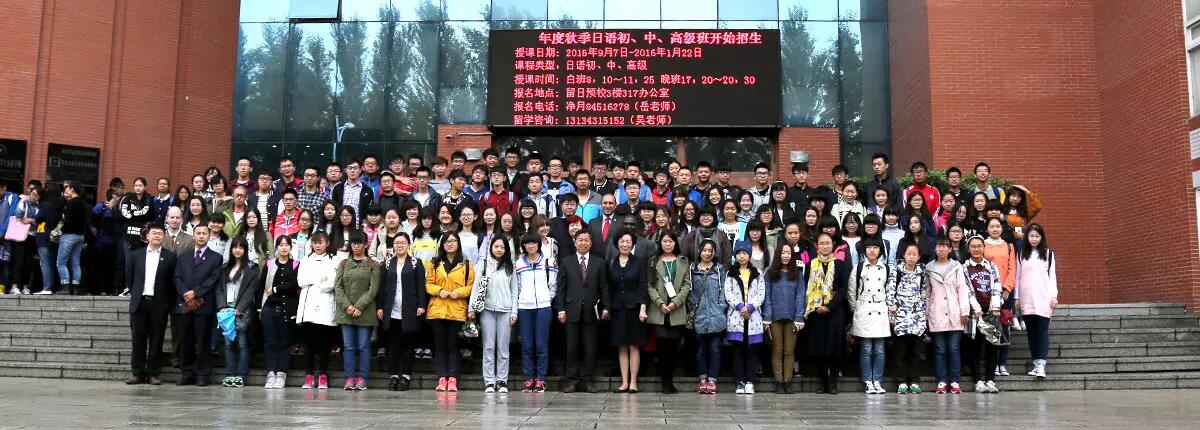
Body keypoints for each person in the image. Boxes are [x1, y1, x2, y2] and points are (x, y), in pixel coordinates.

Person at [554, 229, 608, 393]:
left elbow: (604, 287)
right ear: (574, 242)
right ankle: (572, 380)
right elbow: (560, 288)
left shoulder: (599, 262)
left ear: (591, 243)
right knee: (572, 348)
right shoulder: (566, 261)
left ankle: (588, 380)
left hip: (592, 312)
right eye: (581, 240)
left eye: (586, 240)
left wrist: (606, 307)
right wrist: (560, 309)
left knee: (590, 348)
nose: (584, 243)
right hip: (571, 310)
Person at [124, 223, 177, 385]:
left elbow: (171, 282)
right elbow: (130, 279)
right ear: (147, 236)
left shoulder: (170, 256)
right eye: (153, 233)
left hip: (159, 303)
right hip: (140, 302)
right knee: (138, 339)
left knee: (157, 339)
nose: (157, 236)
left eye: (160, 234)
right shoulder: (135, 255)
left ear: (164, 236)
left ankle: (154, 373)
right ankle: (138, 373)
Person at [926, 238, 981, 395]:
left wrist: (964, 311)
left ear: (950, 249)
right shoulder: (929, 268)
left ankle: (955, 381)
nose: (941, 249)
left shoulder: (956, 267)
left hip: (955, 312)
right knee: (940, 349)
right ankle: (942, 380)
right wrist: (926, 313)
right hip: (937, 313)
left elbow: (962, 289)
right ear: (935, 249)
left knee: (954, 348)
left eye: (944, 246)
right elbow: (928, 293)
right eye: (939, 246)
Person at [425, 232, 474, 392]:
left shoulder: (466, 264)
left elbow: (470, 286)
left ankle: (452, 378)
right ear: (442, 244)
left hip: (457, 310)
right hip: (438, 309)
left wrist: (458, 292)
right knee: (440, 346)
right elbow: (428, 284)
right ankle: (441, 378)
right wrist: (439, 290)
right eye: (446, 241)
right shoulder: (434, 263)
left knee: (453, 346)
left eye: (453, 241)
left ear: (458, 243)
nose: (450, 244)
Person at [173, 224, 222, 386]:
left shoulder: (215, 257)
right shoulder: (184, 257)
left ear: (209, 236)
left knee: (202, 341)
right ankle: (187, 372)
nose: (201, 236)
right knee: (185, 339)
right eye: (198, 233)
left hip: (203, 305)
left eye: (204, 233)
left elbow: (213, 279)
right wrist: (185, 293)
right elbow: (177, 277)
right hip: (185, 304)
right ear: (193, 236)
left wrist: (196, 293)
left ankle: (202, 373)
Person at [468, 236, 517, 393]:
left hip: (505, 310)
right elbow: (476, 287)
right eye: (496, 246)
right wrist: (471, 308)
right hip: (487, 310)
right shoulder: (483, 264)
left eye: (502, 247)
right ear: (491, 248)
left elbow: (515, 290)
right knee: (488, 346)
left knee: (503, 348)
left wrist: (514, 311)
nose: (499, 249)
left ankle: (502, 380)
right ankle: (489, 381)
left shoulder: (511, 266)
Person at [804, 233, 850, 395]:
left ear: (833, 245)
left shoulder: (840, 264)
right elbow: (806, 287)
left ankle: (833, 383)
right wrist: (816, 306)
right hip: (816, 313)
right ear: (817, 245)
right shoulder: (811, 265)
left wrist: (829, 306)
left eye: (828, 243)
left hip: (835, 312)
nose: (825, 246)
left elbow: (844, 290)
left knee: (834, 348)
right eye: (821, 243)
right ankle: (822, 382)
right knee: (820, 348)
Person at [646, 230, 691, 394]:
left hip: (676, 310)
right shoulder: (653, 261)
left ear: (675, 243)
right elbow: (649, 285)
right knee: (662, 346)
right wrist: (659, 303)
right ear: (660, 243)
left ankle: (670, 381)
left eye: (670, 241)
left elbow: (687, 285)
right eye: (665, 241)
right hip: (659, 310)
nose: (667, 244)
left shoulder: (683, 261)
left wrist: (675, 303)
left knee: (673, 346)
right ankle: (664, 382)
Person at [334, 232, 379, 391]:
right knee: (348, 346)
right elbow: (338, 287)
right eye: (353, 243)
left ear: (365, 245)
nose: (356, 246)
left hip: (365, 312)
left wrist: (359, 306)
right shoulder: (344, 263)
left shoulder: (373, 264)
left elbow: (373, 289)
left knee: (363, 346)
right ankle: (349, 377)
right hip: (346, 312)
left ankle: (363, 378)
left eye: (359, 243)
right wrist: (347, 306)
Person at [512, 234, 557, 392]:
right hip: (524, 307)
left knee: (541, 344)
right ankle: (528, 377)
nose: (530, 246)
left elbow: (553, 284)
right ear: (523, 246)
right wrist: (520, 301)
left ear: (538, 245)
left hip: (543, 307)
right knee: (527, 344)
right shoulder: (518, 264)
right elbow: (516, 286)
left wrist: (547, 300)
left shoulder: (548, 262)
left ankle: (541, 379)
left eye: (533, 243)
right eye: (527, 244)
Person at [297, 231, 341, 390]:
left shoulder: (334, 260)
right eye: (315, 242)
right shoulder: (305, 260)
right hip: (308, 305)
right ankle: (309, 375)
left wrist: (318, 281)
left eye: (320, 242)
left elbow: (332, 282)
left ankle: (323, 375)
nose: (317, 245)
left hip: (325, 305)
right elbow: (301, 281)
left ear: (327, 243)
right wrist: (319, 279)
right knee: (309, 343)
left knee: (324, 343)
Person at [848, 238, 891, 394]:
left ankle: (877, 381)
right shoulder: (858, 267)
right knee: (866, 348)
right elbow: (851, 292)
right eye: (869, 248)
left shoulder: (886, 268)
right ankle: (867, 380)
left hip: (880, 308)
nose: (872, 250)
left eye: (875, 248)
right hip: (864, 308)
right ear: (864, 251)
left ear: (880, 251)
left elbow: (888, 289)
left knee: (879, 349)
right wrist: (856, 309)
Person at [608, 230, 649, 393]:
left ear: (632, 244)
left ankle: (633, 382)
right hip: (617, 308)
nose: (625, 244)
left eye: (628, 242)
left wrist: (643, 308)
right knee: (621, 346)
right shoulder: (612, 262)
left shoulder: (639, 262)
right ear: (617, 243)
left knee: (634, 345)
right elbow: (609, 287)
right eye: (622, 241)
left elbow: (643, 285)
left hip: (635, 308)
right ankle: (624, 382)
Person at [215, 237, 259, 388]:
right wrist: (221, 306)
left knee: (242, 343)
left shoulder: (252, 268)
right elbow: (219, 289)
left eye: (241, 247)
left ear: (245, 250)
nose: (237, 250)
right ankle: (230, 374)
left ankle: (241, 375)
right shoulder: (225, 267)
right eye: (235, 247)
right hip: (226, 311)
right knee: (227, 344)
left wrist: (239, 309)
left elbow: (251, 290)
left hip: (242, 311)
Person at [763, 242, 806, 394]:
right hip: (774, 317)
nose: (786, 256)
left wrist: (799, 317)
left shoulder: (798, 274)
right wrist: (766, 318)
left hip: (792, 318)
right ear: (778, 255)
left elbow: (801, 296)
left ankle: (788, 381)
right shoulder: (770, 273)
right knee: (777, 350)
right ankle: (778, 381)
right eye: (783, 253)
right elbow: (766, 296)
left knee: (789, 351)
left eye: (788, 253)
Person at [963, 235, 1004, 393]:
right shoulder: (964, 267)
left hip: (991, 314)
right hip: (975, 315)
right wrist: (976, 308)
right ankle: (978, 380)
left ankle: (990, 380)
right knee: (975, 348)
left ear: (983, 247)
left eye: (979, 246)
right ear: (969, 249)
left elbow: (997, 286)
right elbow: (966, 290)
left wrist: (995, 306)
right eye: (973, 246)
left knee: (992, 347)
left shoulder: (991, 266)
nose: (976, 249)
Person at [1015, 223, 1057, 378]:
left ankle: (1041, 365)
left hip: (1043, 298)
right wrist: (1017, 297)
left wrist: (1054, 296)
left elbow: (1052, 277)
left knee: (1042, 331)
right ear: (1027, 237)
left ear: (1042, 238)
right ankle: (1035, 363)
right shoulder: (1021, 255)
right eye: (1031, 236)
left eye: (1037, 236)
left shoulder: (1048, 254)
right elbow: (1017, 277)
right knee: (1031, 333)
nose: (1034, 239)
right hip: (1026, 299)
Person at [687, 239, 727, 394]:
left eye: (710, 250)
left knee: (715, 348)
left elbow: (723, 289)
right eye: (704, 250)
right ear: (699, 251)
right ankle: (703, 379)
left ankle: (712, 380)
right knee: (701, 350)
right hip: (699, 315)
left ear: (714, 252)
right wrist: (693, 307)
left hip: (716, 315)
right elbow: (689, 291)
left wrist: (721, 306)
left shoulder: (719, 269)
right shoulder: (693, 269)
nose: (707, 253)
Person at [260, 235, 300, 389]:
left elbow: (294, 284)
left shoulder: (296, 264)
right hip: (269, 308)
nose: (284, 247)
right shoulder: (270, 264)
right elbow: (261, 286)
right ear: (276, 247)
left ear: (291, 247)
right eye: (281, 244)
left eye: (286, 244)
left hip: (287, 308)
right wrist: (259, 306)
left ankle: (282, 373)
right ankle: (271, 372)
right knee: (270, 342)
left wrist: (276, 289)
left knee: (284, 342)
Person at [725, 242, 765, 395]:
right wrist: (740, 306)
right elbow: (728, 293)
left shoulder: (757, 273)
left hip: (753, 316)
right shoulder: (730, 273)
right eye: (739, 253)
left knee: (752, 351)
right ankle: (740, 382)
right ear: (735, 256)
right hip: (736, 316)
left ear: (749, 255)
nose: (742, 256)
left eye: (745, 253)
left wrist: (750, 307)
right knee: (737, 351)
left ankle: (750, 381)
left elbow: (761, 293)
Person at [888, 243, 928, 394]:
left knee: (916, 351)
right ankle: (901, 380)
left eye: (914, 254)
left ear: (918, 257)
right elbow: (890, 293)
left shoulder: (922, 273)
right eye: (908, 254)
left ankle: (915, 380)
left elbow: (925, 294)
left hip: (917, 317)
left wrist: (924, 314)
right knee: (900, 351)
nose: (911, 257)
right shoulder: (896, 271)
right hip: (901, 317)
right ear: (904, 255)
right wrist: (892, 313)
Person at [57, 182, 89, 295]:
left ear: (72, 189)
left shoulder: (70, 203)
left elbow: (68, 220)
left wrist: (61, 229)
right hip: (80, 236)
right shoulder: (84, 204)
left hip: (68, 235)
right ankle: (75, 287)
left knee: (61, 262)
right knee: (76, 263)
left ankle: (65, 287)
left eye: (68, 188)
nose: (67, 191)